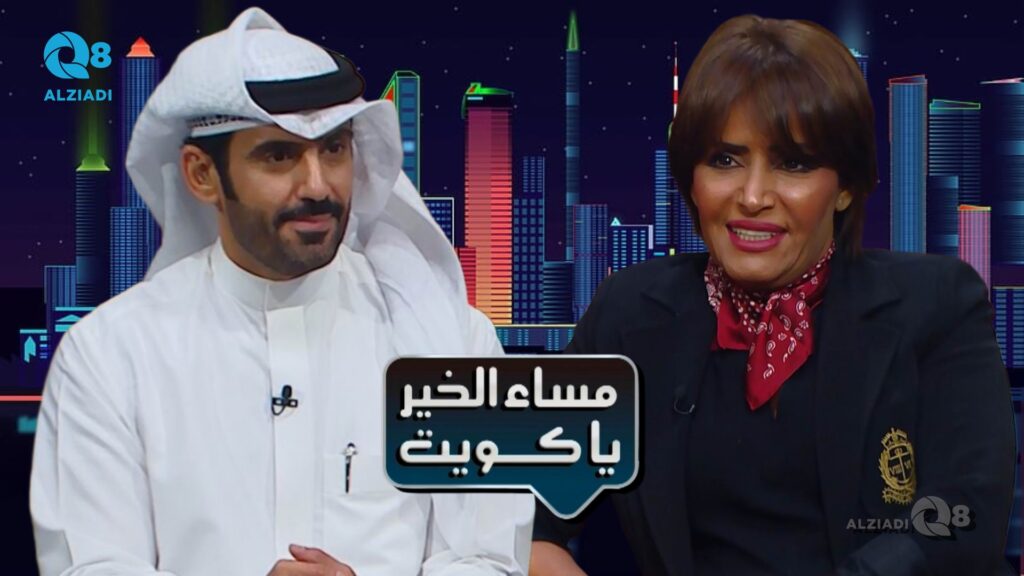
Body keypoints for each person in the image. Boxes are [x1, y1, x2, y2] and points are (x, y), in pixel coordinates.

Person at [30, 7, 533, 576]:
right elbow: (92, 566)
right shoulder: (111, 354)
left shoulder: (453, 342)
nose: (317, 186)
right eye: (279, 155)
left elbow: (492, 560)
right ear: (201, 174)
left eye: (334, 150)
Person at [529, 14, 1015, 576]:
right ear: (691, 178)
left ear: (845, 186)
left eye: (793, 163)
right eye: (725, 160)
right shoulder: (628, 312)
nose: (753, 196)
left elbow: (963, 518)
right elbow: (525, 515)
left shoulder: (938, 304)